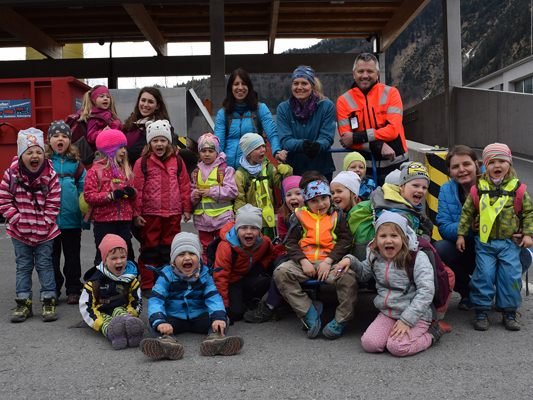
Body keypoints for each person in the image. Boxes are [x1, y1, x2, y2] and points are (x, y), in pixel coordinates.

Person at [337, 211, 446, 357]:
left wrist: (406, 321)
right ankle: (394, 334)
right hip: (388, 312)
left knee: (397, 347)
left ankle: (433, 334)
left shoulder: (417, 258)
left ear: (404, 238)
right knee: (370, 343)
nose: (388, 241)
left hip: (416, 314)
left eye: (394, 236)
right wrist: (350, 260)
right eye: (383, 236)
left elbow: (426, 292)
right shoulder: (375, 255)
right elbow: (363, 274)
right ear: (376, 239)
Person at [457, 143, 533, 331]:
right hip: (485, 243)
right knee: (483, 275)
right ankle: (481, 311)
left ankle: (509, 312)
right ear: (485, 165)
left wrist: (529, 234)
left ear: (509, 164)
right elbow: (467, 213)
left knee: (510, 277)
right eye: (492, 162)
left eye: (502, 161)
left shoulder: (518, 189)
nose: (497, 166)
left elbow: (529, 213)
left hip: (509, 244)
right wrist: (461, 234)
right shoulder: (478, 189)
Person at [273, 173, 356, 339]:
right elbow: (290, 242)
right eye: (314, 201)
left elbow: (346, 241)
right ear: (307, 202)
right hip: (306, 263)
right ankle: (308, 311)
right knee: (281, 272)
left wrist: (329, 260)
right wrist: (303, 261)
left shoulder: (337, 215)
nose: (320, 204)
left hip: (330, 263)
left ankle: (341, 319)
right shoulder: (299, 216)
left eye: (324, 198)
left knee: (349, 278)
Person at [141, 232, 243, 360]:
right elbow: (156, 300)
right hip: (174, 317)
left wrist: (218, 317)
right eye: (181, 254)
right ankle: (166, 342)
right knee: (154, 324)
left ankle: (216, 339)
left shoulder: (205, 274)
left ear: (199, 258)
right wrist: (160, 321)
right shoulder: (166, 275)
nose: (187, 258)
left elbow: (213, 297)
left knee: (223, 319)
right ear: (173, 261)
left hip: (199, 316)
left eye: (192, 254)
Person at [0, 128, 61, 322]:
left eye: (38, 151)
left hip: (46, 232)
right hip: (20, 232)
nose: (34, 156)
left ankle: (48, 299)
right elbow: (4, 201)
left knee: (45, 265)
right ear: (21, 155)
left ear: (44, 153)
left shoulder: (50, 175)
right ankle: (23, 301)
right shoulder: (11, 176)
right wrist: (16, 219)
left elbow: (54, 202)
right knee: (23, 266)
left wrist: (45, 222)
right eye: (29, 152)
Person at [132, 120, 192, 291]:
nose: (159, 143)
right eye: (155, 140)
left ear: (168, 141)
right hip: (151, 214)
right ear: (150, 143)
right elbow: (137, 189)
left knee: (169, 249)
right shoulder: (142, 163)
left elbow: (185, 185)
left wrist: (187, 208)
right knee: (149, 249)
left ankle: (168, 281)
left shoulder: (177, 162)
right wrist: (137, 214)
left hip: (172, 213)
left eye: (163, 140)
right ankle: (148, 284)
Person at [336, 53, 408, 185]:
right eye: (360, 71)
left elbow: (392, 131)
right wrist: (377, 145)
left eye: (370, 71)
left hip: (396, 163)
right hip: (363, 168)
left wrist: (358, 137)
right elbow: (346, 139)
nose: (365, 75)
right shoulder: (343, 101)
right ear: (354, 74)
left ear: (377, 74)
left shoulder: (391, 93)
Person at [79, 234, 144, 350]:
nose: (119, 261)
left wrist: (132, 312)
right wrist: (97, 322)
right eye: (114, 258)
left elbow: (136, 299)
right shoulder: (95, 281)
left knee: (122, 314)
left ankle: (133, 331)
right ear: (104, 260)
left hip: (121, 309)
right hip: (101, 311)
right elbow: (86, 306)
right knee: (107, 322)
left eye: (123, 257)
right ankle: (113, 334)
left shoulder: (130, 278)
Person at [213, 204, 277, 321]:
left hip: (248, 276)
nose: (248, 232)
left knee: (267, 281)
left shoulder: (264, 242)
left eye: (254, 228)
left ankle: (252, 301)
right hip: (231, 281)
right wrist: (223, 308)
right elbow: (220, 278)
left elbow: (272, 254)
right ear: (237, 229)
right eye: (244, 228)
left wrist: (261, 266)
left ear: (259, 230)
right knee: (235, 314)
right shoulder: (226, 247)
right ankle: (241, 302)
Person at [434, 145, 479, 310]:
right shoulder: (446, 190)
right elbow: (444, 227)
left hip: (490, 244)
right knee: (440, 248)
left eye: (466, 164)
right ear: (449, 171)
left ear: (476, 164)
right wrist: (468, 227)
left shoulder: (493, 185)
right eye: (455, 166)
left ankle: (506, 300)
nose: (462, 170)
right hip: (464, 246)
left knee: (518, 253)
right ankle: (468, 291)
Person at [46, 120, 85, 304]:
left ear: (69, 140)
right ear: (49, 140)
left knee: (72, 257)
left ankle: (73, 288)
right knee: (51, 257)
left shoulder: (75, 164)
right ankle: (53, 287)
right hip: (50, 221)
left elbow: (83, 190)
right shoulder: (45, 163)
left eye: (64, 136)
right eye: (55, 136)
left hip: (72, 219)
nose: (59, 139)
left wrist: (85, 216)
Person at [214, 68, 286, 169]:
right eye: (236, 84)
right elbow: (218, 142)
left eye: (244, 84)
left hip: (254, 170)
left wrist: (277, 151)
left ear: (249, 87)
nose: (240, 87)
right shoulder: (223, 113)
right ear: (230, 88)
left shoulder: (260, 109)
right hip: (228, 171)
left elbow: (272, 133)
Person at [83, 129, 136, 266]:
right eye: (120, 148)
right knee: (104, 255)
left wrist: (132, 193)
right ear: (109, 149)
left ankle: (128, 282)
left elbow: (133, 195)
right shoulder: (95, 171)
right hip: (104, 222)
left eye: (124, 147)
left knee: (127, 253)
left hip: (124, 220)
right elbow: (89, 196)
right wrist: (110, 196)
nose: (124, 151)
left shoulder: (125, 169)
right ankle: (100, 283)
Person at [276, 65, 336, 182]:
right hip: (294, 168)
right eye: (296, 83)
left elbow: (327, 136)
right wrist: (303, 145)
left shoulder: (326, 106)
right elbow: (285, 139)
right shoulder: (283, 109)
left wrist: (318, 145)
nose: (299, 87)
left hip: (321, 167)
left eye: (304, 83)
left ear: (312, 86)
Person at [234, 133, 292, 239]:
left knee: (269, 245)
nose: (263, 150)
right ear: (248, 153)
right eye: (257, 148)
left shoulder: (268, 168)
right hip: (250, 222)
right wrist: (241, 219)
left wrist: (286, 172)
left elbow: (282, 185)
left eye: (263, 146)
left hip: (268, 220)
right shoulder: (240, 174)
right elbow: (239, 199)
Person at [191, 132, 237, 260]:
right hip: (202, 220)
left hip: (222, 219)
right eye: (203, 151)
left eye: (211, 151)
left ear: (217, 152)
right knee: (206, 250)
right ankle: (208, 272)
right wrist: (194, 195)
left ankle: (222, 271)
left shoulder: (225, 170)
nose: (206, 154)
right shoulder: (196, 172)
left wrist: (211, 192)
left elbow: (232, 191)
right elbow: (192, 189)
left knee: (224, 247)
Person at [123, 87, 173, 165]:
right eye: (143, 100)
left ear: (157, 106)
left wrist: (123, 153)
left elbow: (139, 150)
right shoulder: (130, 123)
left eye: (150, 102)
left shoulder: (162, 127)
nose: (145, 105)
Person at [79, 85, 122, 151]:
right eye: (101, 96)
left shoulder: (111, 115)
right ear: (94, 100)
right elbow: (90, 137)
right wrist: (102, 133)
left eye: (108, 97)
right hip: (101, 152)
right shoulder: (93, 117)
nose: (105, 98)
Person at [276, 175, 304, 241]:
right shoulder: (282, 216)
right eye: (289, 195)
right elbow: (283, 237)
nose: (293, 197)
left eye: (298, 193)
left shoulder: (311, 212)